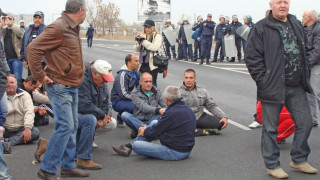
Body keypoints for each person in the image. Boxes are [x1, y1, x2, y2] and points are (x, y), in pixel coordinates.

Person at [245, 0, 317, 178]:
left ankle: (299, 159)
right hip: (273, 87)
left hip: (296, 85)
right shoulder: (262, 27)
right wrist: (263, 81)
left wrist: (305, 70)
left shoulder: (296, 24)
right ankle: (272, 165)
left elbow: (305, 49)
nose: (283, 5)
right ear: (271, 5)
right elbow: (252, 57)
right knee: (270, 128)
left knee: (306, 122)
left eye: (286, 2)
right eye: (279, 2)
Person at [27, 0, 89, 179]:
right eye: (85, 11)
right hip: (60, 85)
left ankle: (68, 165)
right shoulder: (58, 27)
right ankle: (47, 169)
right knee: (65, 126)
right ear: (80, 11)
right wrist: (39, 76)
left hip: (71, 85)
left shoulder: (72, 27)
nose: (85, 14)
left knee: (73, 126)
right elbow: (33, 49)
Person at [112, 85, 196, 160]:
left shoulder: (171, 113)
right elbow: (159, 127)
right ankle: (128, 146)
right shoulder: (187, 109)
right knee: (154, 123)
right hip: (186, 148)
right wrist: (147, 130)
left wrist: (144, 131)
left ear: (166, 100)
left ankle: (130, 146)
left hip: (175, 151)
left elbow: (156, 131)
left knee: (137, 145)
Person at [179, 69, 228, 136]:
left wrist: (224, 116)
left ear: (195, 79)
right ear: (183, 79)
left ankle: (195, 129)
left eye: (191, 78)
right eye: (186, 78)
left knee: (221, 123)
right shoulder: (177, 91)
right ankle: (201, 131)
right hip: (184, 119)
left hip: (199, 117)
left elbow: (211, 105)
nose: (188, 80)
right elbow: (171, 108)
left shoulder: (202, 91)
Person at [121, 72, 166, 138]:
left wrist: (165, 111)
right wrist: (159, 110)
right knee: (124, 115)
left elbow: (164, 104)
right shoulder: (135, 93)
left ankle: (141, 131)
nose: (148, 84)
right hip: (139, 120)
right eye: (146, 81)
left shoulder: (156, 90)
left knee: (163, 112)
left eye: (150, 81)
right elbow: (144, 107)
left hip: (152, 119)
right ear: (140, 82)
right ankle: (149, 131)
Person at [4, 75, 40, 146]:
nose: (9, 85)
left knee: (35, 132)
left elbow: (29, 112)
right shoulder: (1, 96)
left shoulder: (25, 95)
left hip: (21, 128)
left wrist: (27, 128)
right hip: (5, 129)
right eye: (6, 82)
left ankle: (6, 142)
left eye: (12, 82)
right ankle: (11, 141)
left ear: (16, 84)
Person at [111, 54, 140, 127]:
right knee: (137, 107)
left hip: (128, 98)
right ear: (129, 63)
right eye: (136, 61)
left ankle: (123, 115)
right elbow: (123, 94)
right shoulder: (122, 75)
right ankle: (122, 118)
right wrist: (137, 99)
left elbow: (141, 87)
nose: (138, 63)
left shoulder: (136, 73)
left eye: (138, 61)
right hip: (118, 100)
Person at [0, 8, 12, 180]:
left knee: (4, 111)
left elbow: (2, 59)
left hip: (1, 82)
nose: (4, 21)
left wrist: (7, 74)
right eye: (2, 18)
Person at [135, 19, 161, 87]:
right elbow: (137, 49)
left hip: (152, 65)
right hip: (142, 64)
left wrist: (143, 41)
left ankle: (154, 97)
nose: (147, 29)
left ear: (153, 27)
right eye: (145, 27)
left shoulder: (157, 36)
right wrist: (138, 43)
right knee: (141, 83)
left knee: (152, 84)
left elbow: (155, 47)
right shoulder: (142, 35)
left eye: (149, 27)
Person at [21, 11, 46, 75]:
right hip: (31, 61)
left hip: (42, 62)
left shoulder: (46, 30)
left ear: (42, 20)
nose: (37, 20)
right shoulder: (27, 31)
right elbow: (23, 45)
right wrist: (24, 59)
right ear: (33, 19)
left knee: (42, 82)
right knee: (32, 81)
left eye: (39, 18)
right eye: (35, 18)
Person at [0, 14, 24, 79]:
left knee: (17, 79)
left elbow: (21, 33)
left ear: (13, 20)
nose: (8, 21)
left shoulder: (17, 29)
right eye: (6, 19)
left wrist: (10, 24)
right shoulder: (3, 31)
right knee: (8, 79)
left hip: (16, 58)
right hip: (6, 59)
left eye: (10, 19)